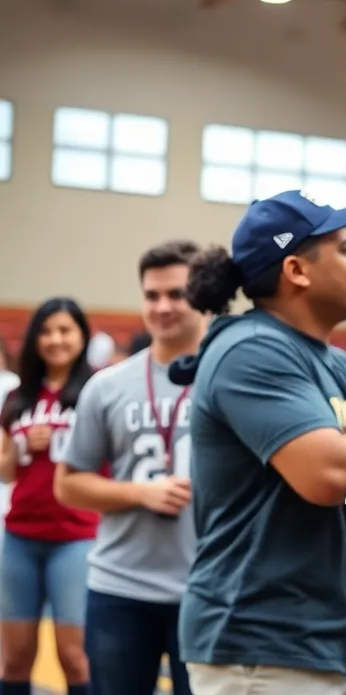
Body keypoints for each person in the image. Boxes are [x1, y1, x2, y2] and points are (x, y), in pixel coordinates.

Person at [171, 190, 346, 695]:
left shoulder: (333, 361)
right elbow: (329, 475)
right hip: (259, 645)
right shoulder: (251, 351)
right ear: (297, 271)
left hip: (319, 638)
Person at [55, 241, 209, 695]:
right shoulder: (107, 386)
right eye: (152, 295)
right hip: (120, 588)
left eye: (176, 294)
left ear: (201, 296)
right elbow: (69, 485)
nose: (162, 306)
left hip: (206, 591)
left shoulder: (233, 377)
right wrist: (140, 493)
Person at [0, 298, 96, 695]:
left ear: (81, 337)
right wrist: (21, 447)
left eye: (65, 330)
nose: (55, 339)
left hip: (77, 537)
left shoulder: (97, 391)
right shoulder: (18, 398)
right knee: (15, 656)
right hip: (20, 535)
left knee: (73, 656)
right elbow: (4, 471)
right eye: (45, 330)